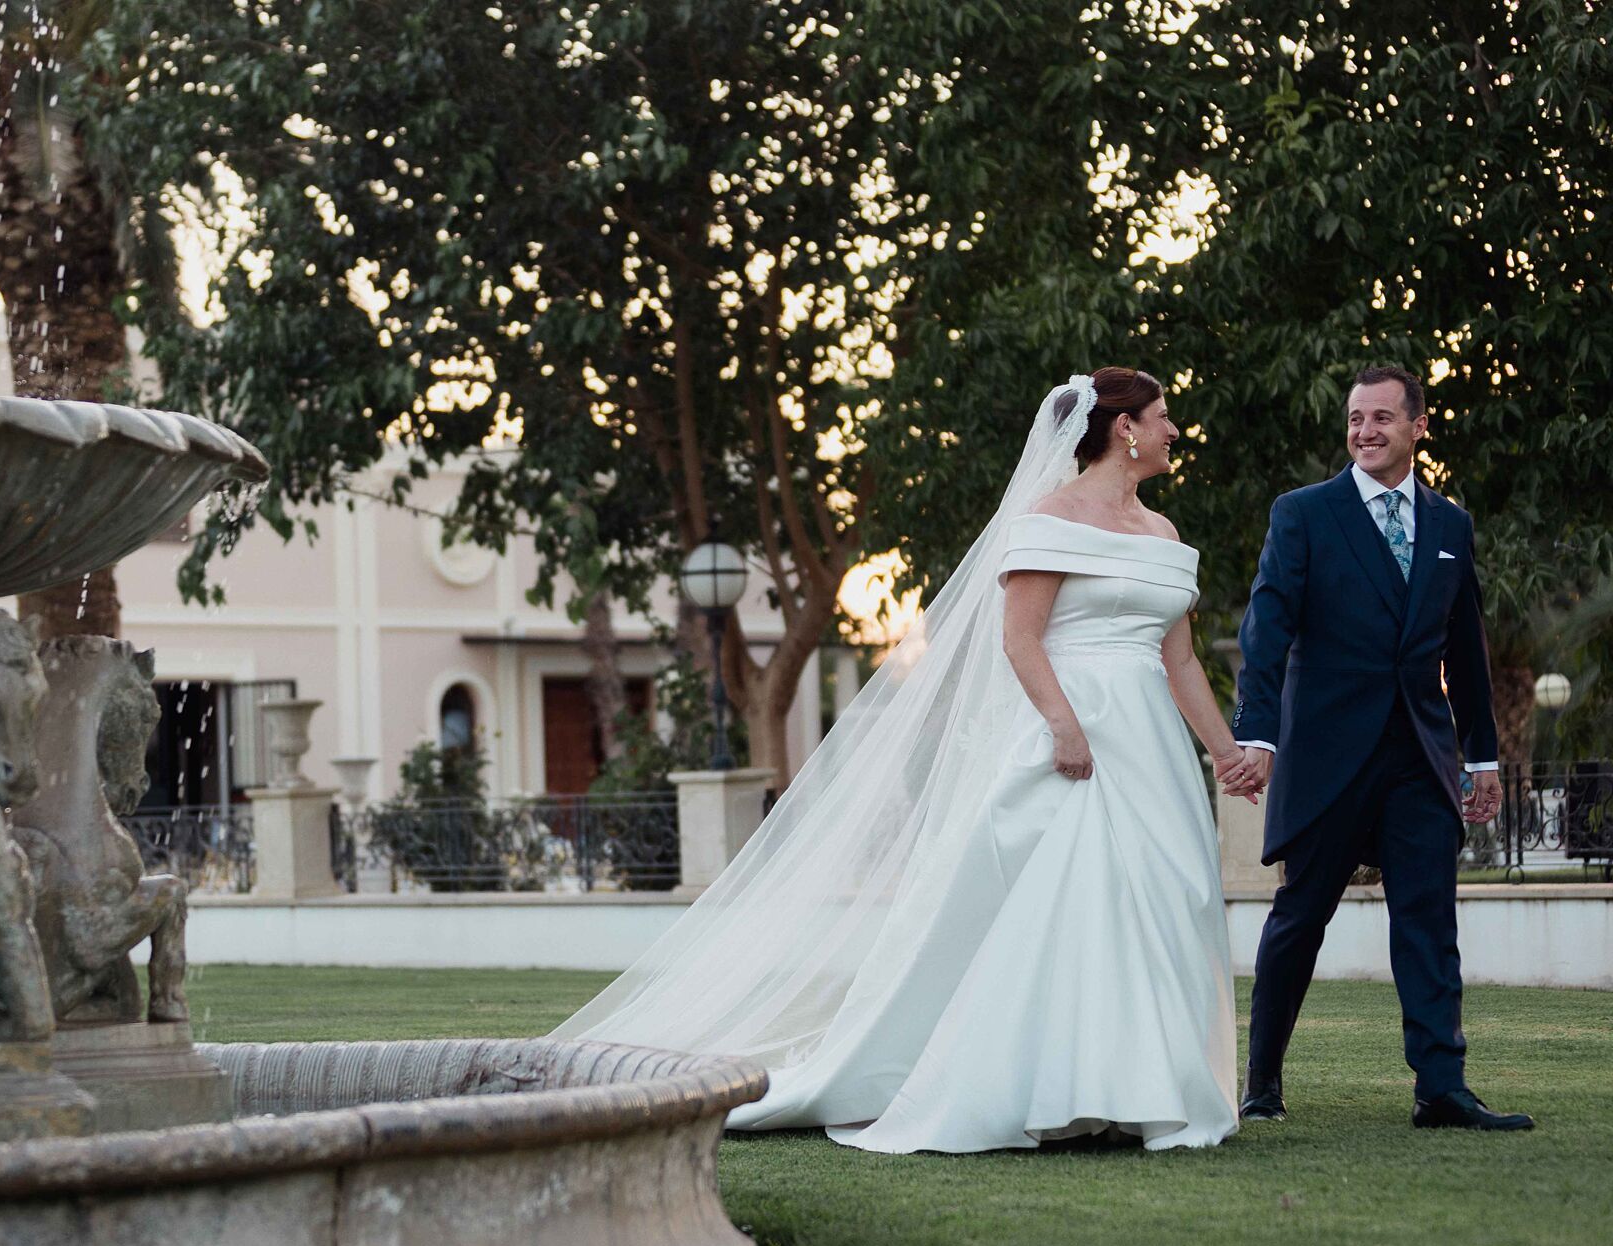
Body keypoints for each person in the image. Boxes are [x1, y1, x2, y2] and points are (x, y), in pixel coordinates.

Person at [553, 369, 1257, 1152]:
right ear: (1124, 428)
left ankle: (1146, 1089)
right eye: (1162, 417)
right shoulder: (1048, 520)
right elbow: (1020, 638)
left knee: (1160, 901)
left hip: (1150, 741)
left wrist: (1225, 753)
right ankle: (1052, 1089)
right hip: (1074, 731)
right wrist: (1064, 725)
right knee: (1073, 901)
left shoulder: (1163, 535)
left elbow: (1182, 659)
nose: (1172, 430)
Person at [1231, 365, 1533, 1132]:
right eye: (1355, 419)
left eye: (1382, 419)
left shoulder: (1450, 526)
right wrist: (1257, 733)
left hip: (1418, 757)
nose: (1365, 431)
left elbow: (1465, 650)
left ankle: (1441, 1088)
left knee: (1428, 919)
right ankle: (1262, 1080)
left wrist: (1484, 756)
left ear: (1418, 426)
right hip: (1328, 753)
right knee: (1300, 916)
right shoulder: (1303, 514)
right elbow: (1266, 631)